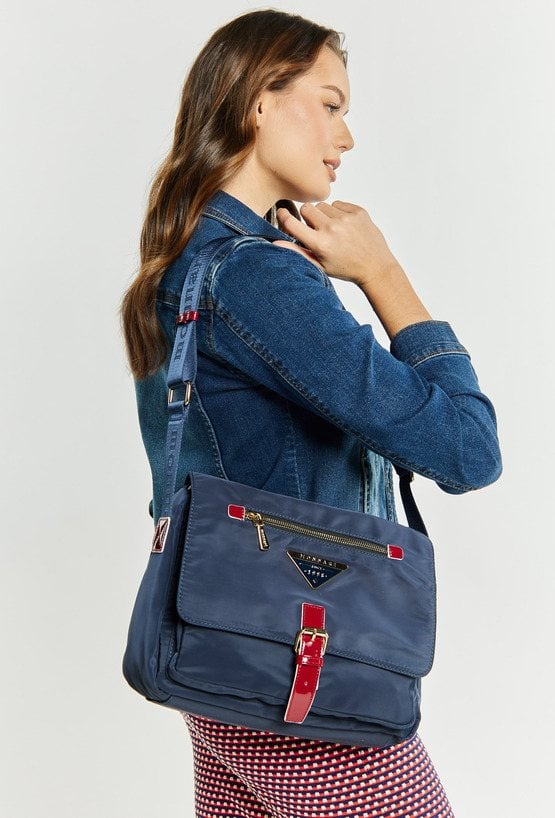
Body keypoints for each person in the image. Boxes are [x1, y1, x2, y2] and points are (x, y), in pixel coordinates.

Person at [120, 9, 502, 817]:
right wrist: (383, 273)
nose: (346, 136)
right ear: (260, 101)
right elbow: (467, 451)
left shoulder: (186, 261)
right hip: (299, 666)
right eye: (330, 105)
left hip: (224, 656)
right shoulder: (254, 276)